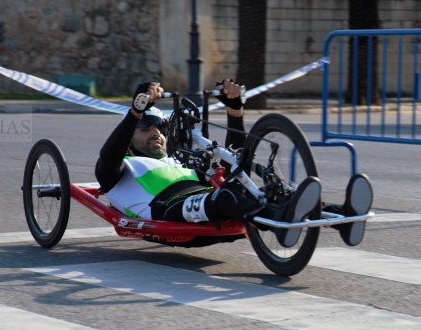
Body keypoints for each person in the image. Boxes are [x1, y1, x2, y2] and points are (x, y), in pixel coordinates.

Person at [95, 81, 373, 247]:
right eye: (145, 128)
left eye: (159, 127)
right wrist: (136, 111)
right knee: (227, 194)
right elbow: (107, 160)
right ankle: (279, 223)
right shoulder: (122, 169)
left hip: (209, 202)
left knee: (257, 191)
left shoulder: (179, 162)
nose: (155, 132)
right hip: (167, 211)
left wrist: (234, 110)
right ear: (129, 139)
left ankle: (343, 217)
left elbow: (232, 169)